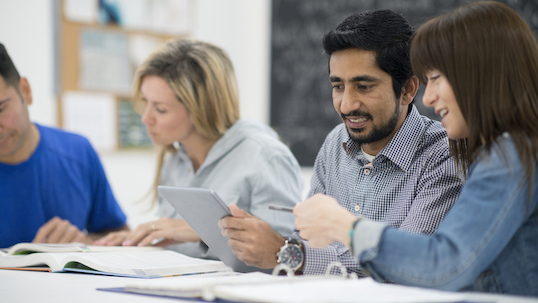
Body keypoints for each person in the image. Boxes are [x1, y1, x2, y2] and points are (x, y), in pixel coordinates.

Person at [294, 1, 538, 296]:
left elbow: (443, 265)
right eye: (338, 86)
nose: (428, 98)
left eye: (436, 78)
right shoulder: (505, 150)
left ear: (480, 75)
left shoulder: (509, 153)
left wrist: (346, 226)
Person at [219, 10, 463, 275]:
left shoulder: (443, 155)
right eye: (338, 86)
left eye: (364, 86)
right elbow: (307, 237)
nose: (347, 105)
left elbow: (407, 264)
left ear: (407, 90)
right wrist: (272, 246)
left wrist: (287, 254)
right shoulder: (336, 142)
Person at [95, 39, 304, 261]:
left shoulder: (266, 157)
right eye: (145, 102)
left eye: (160, 109)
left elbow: (287, 259)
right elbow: (176, 245)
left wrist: (201, 231)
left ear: (201, 109)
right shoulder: (175, 161)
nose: (145, 118)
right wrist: (135, 243)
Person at [0, 43, 128, 248]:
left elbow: (121, 236)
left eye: (1, 109)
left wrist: (85, 242)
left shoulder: (77, 152)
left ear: (25, 91)